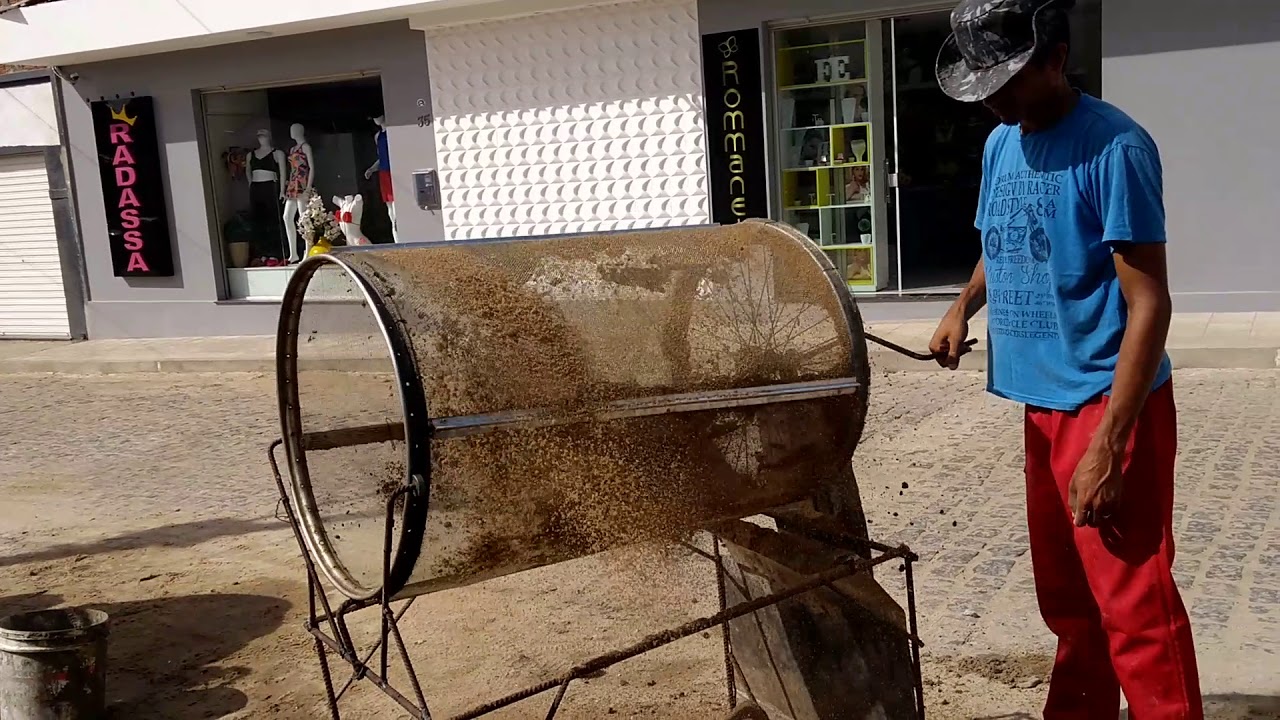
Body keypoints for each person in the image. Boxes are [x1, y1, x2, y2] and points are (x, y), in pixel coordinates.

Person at [928, 0, 1203, 717]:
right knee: (1069, 604)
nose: (991, 101)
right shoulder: (1001, 144)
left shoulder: (1115, 148)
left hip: (1106, 406)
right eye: (982, 86)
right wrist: (963, 306)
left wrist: (1110, 444)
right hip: (1041, 405)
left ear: (1056, 59)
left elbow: (1150, 303)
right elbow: (1001, 240)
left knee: (1135, 609)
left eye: (1006, 82)